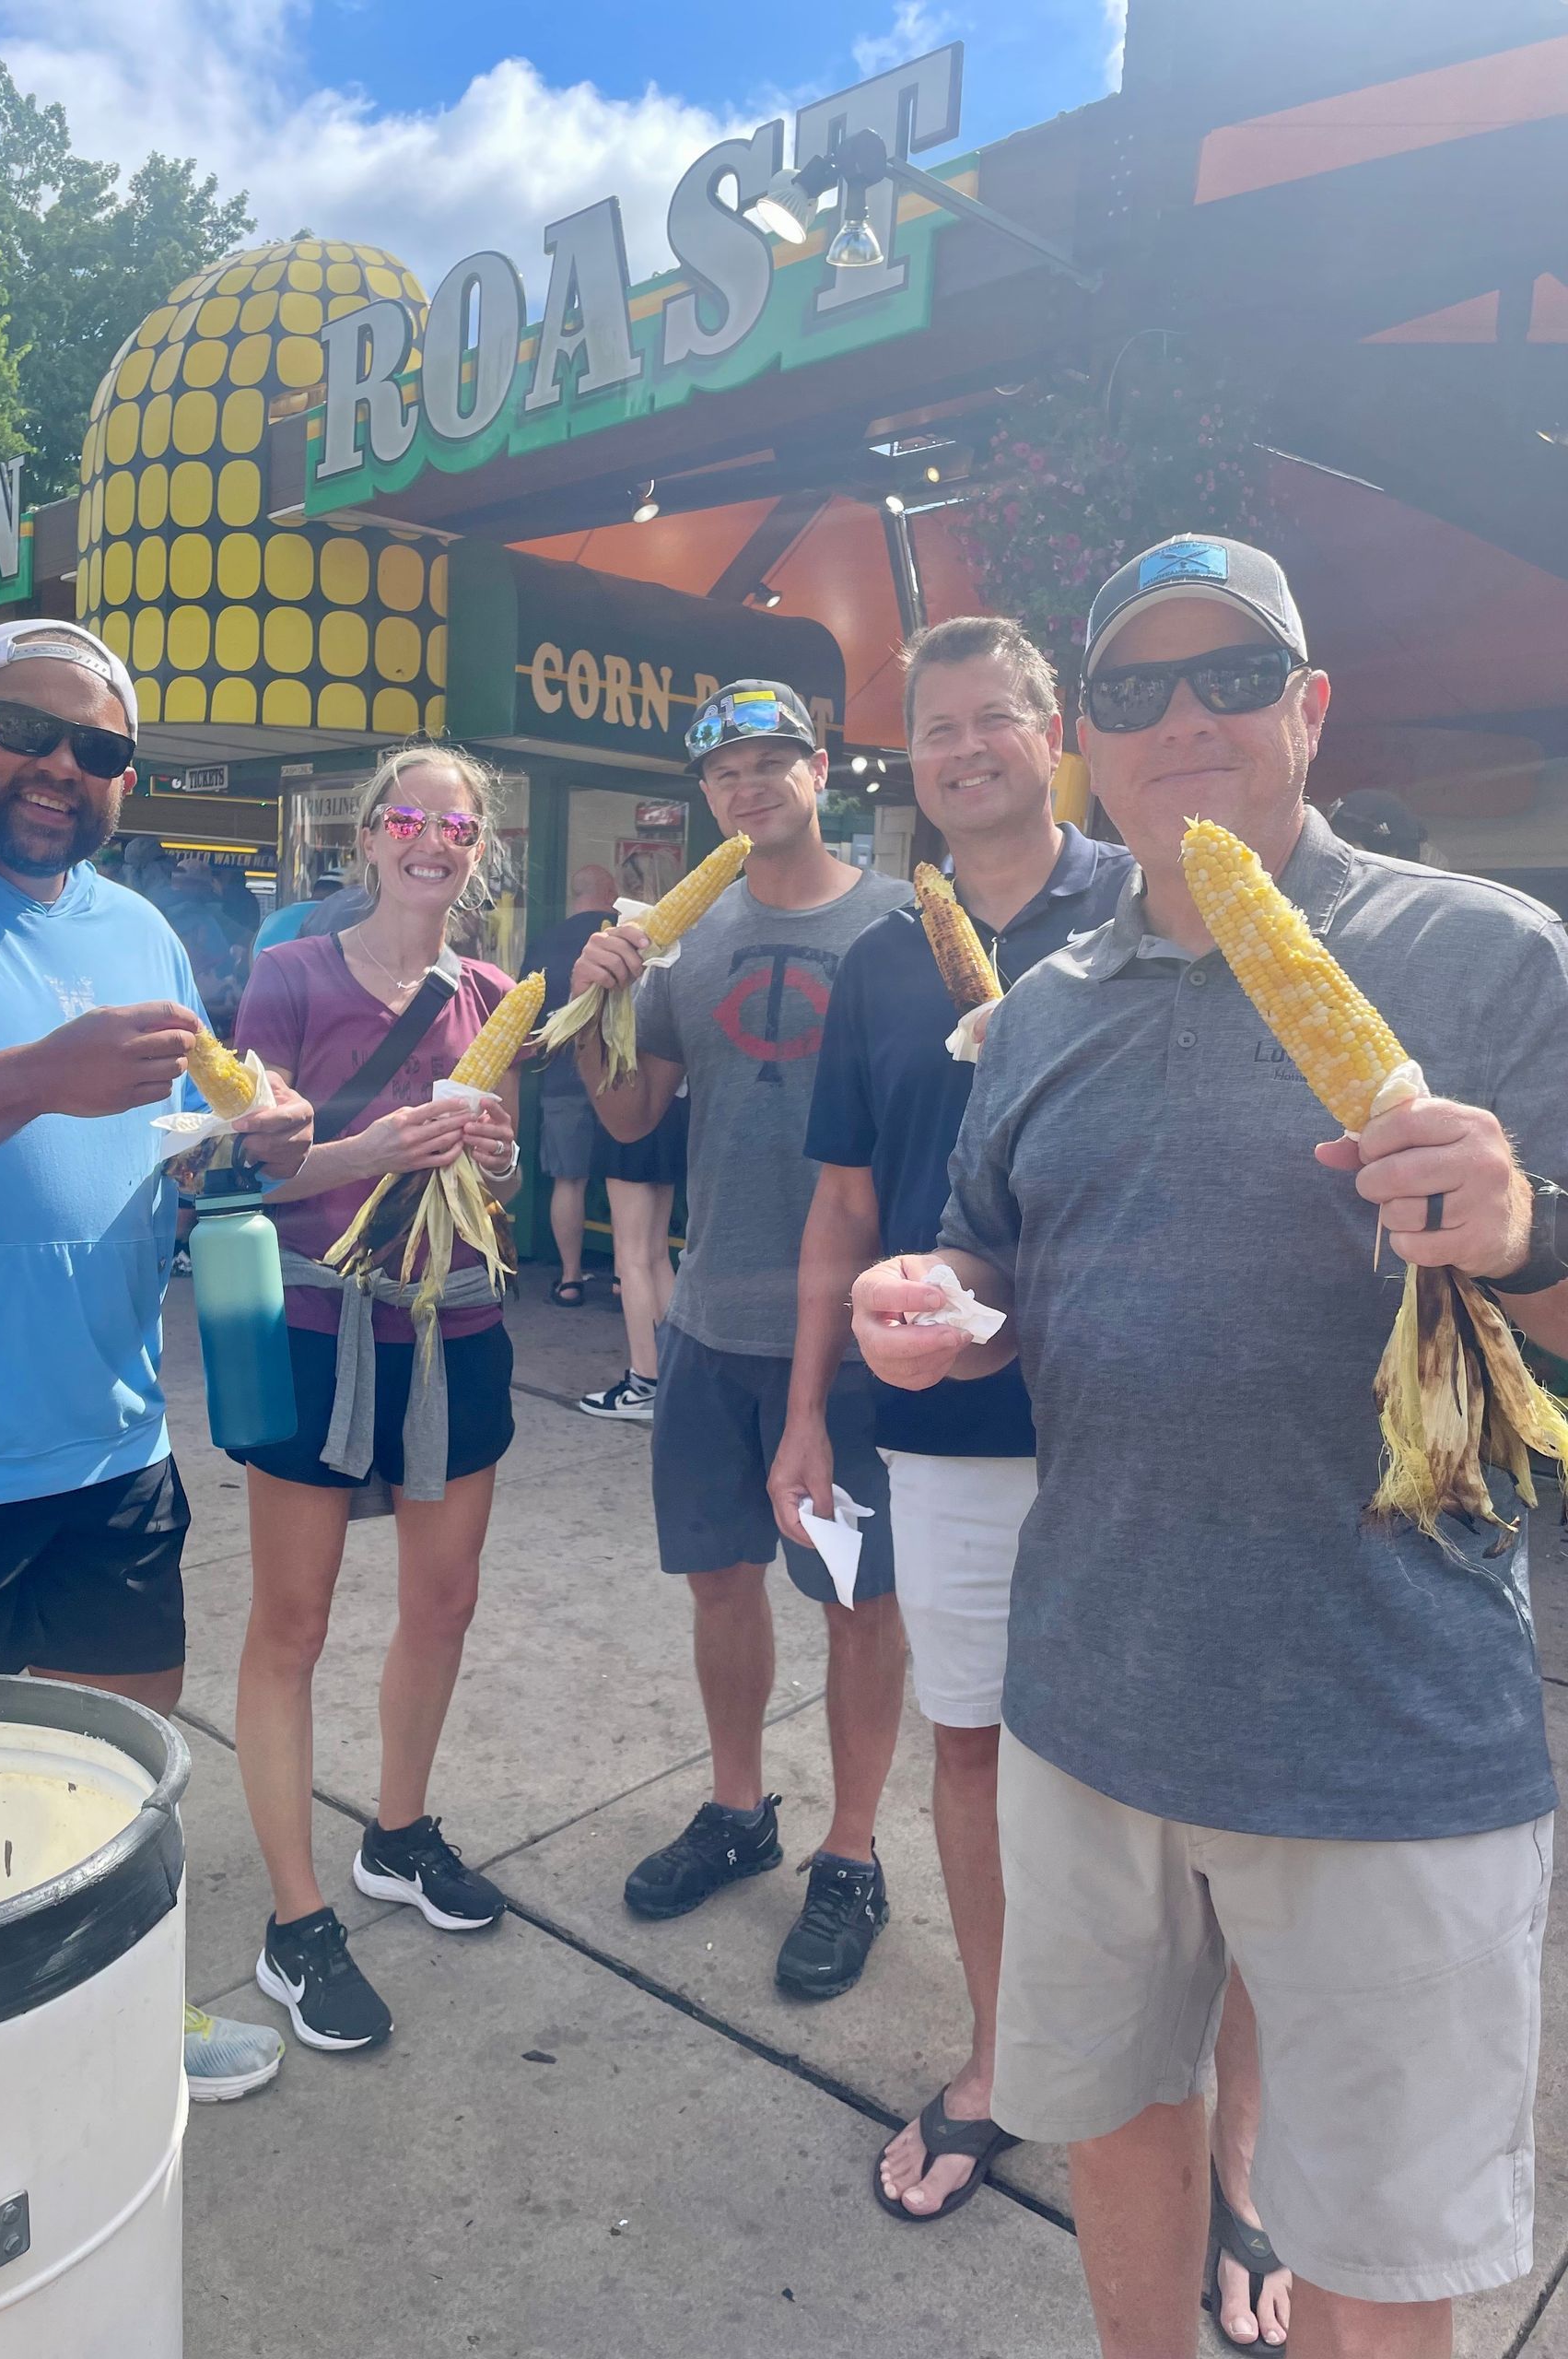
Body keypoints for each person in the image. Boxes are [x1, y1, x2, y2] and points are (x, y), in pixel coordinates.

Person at [854, 534, 1568, 2358]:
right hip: (1091, 1705)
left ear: (1310, 708)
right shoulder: (1044, 1010)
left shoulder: (1480, 951)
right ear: (1091, 736)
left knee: (1379, 2263)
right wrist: (940, 1289)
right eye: (1141, 688)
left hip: (1388, 1729)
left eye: (1235, 677)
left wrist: (1521, 1232)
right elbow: (1001, 1248)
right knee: (1114, 2116)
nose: (1188, 717)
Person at [0, 616, 314, 2103]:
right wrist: (31, 1080)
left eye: (100, 750)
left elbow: (161, 1154)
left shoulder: (135, 928)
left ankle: (122, 2033)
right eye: (28, 730)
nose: (60, 769)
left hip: (102, 1449)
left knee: (111, 1788)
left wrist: (244, 1140)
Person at [774, 616, 1136, 2225]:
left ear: (1055, 733)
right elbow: (842, 1207)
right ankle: (1001, 2062)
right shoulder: (874, 959)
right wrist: (805, 1415)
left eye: (999, 719)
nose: (968, 748)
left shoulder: (1145, 907)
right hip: (940, 1433)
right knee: (972, 1752)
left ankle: (1229, 2145)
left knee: (1183, 1780)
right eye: (938, 729)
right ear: (906, 758)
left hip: (1143, 1413)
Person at [572, 679, 913, 1999]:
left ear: (823, 769)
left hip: (859, 1337)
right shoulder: (685, 937)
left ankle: (853, 1849)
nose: (750, 785)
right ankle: (737, 1808)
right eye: (725, 770)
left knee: (855, 1604)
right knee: (722, 1583)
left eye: (774, 760)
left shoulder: (897, 923)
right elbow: (625, 1113)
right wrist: (599, 1005)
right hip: (716, 1324)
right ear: (702, 793)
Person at [228, 745, 525, 2055]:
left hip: (454, 1321)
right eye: (410, 818)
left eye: (456, 826)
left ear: (478, 850)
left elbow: (498, 1182)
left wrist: (497, 1157)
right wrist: (375, 1146)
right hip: (315, 1324)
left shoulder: (495, 994)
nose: (432, 841)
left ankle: (396, 1836)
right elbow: (251, 1165)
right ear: (368, 836)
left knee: (442, 1602)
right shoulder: (290, 979)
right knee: (293, 1624)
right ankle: (296, 1921)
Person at [522, 864, 618, 1307]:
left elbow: (527, 1010)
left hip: (562, 1075)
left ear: (574, 895)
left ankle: (570, 1278)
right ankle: (623, 1274)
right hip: (623, 1075)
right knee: (624, 1181)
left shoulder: (546, 941)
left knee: (569, 1180)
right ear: (611, 891)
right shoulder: (628, 933)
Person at [575, 1084, 688, 1422]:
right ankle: (675, 1376)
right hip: (672, 1110)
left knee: (632, 1254)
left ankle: (644, 1384)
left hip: (627, 1110)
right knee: (655, 1253)